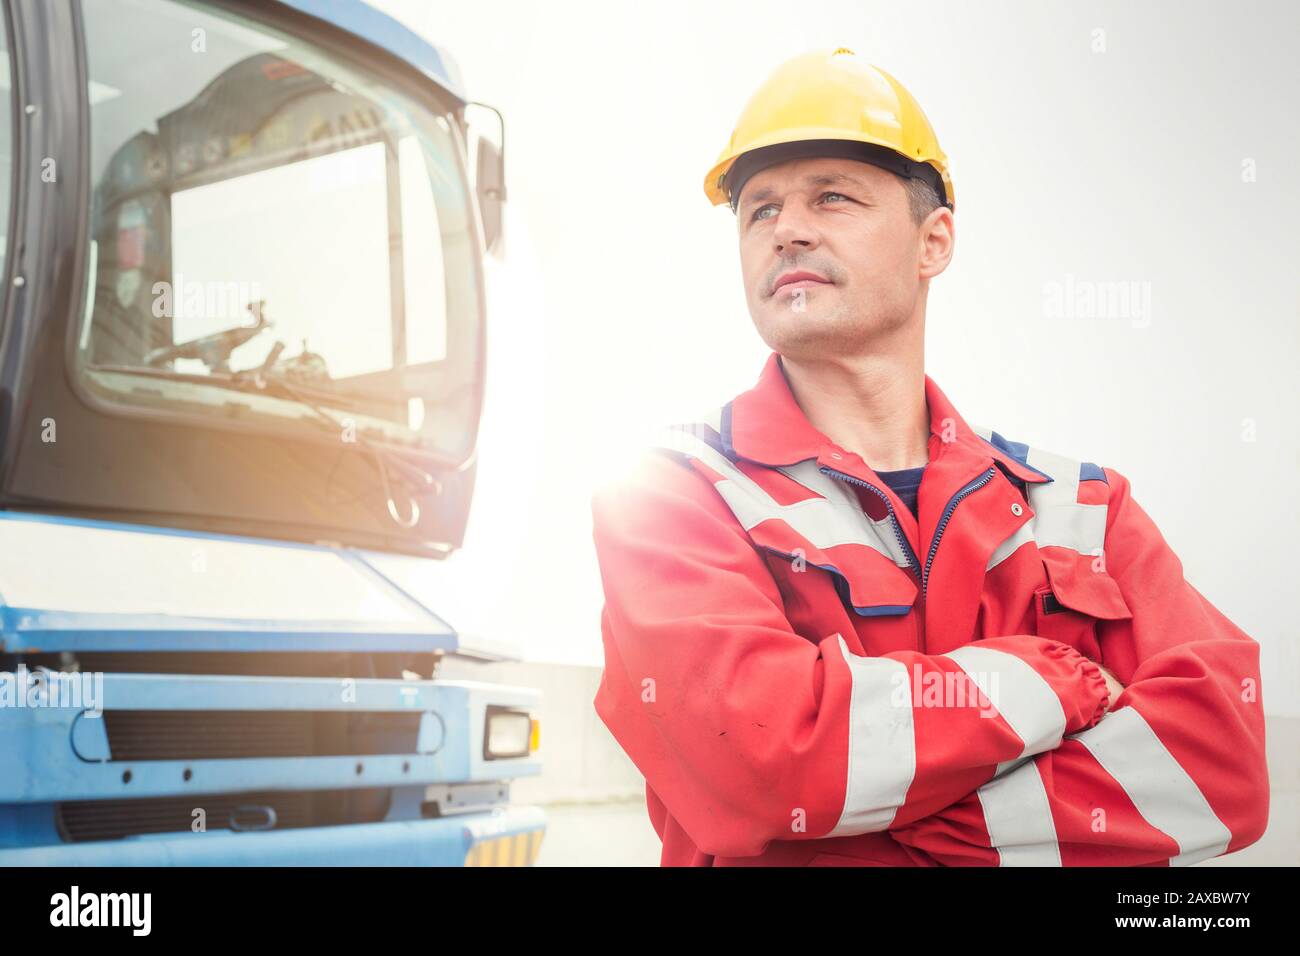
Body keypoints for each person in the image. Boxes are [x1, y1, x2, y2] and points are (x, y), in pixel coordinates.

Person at [590, 48, 1269, 866]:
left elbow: (1220, 764)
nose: (788, 229)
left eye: (832, 196)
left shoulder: (1083, 506)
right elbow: (764, 765)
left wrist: (882, 832)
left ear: (934, 240)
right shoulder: (675, 491)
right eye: (759, 210)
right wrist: (1059, 680)